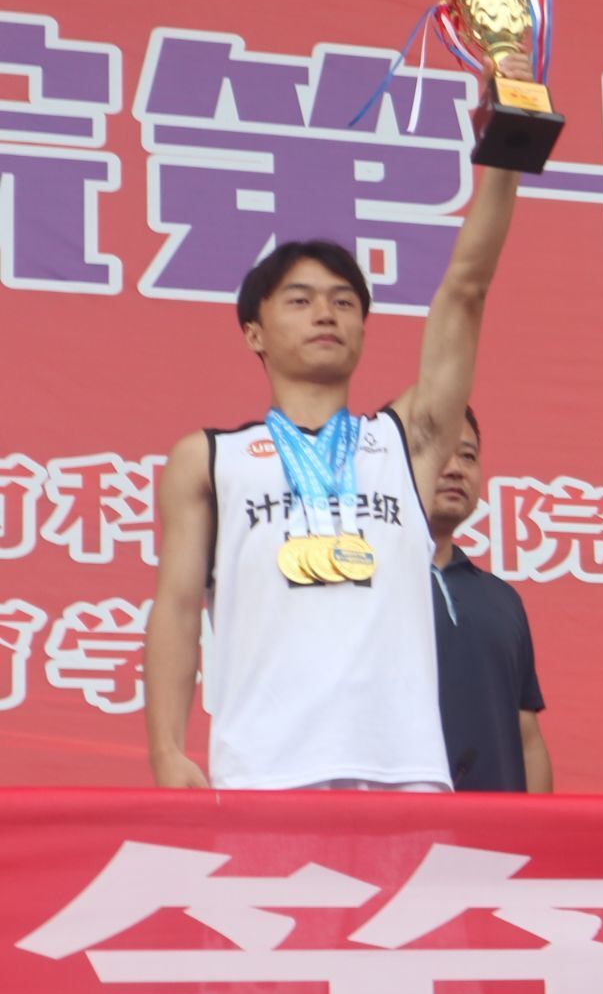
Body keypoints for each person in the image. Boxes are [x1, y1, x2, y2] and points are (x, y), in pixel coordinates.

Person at [144, 152, 524, 791]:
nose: (326, 314)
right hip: (263, 773)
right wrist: (166, 751)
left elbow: (465, 290)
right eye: (300, 300)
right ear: (254, 333)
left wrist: (508, 154)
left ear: (363, 330)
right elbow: (178, 609)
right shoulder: (208, 459)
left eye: (344, 302)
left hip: (403, 771)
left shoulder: (406, 442)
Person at [427, 408, 552, 792]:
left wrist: (537, 823)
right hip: (394, 819)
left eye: (467, 456)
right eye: (438, 453)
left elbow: (528, 739)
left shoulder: (502, 600)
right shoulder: (361, 586)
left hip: (495, 826)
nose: (455, 469)